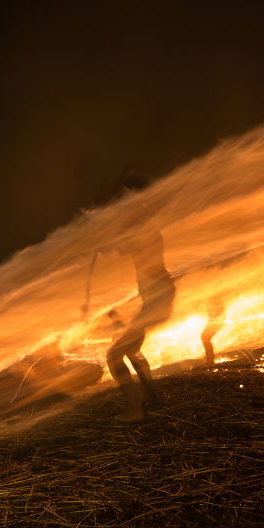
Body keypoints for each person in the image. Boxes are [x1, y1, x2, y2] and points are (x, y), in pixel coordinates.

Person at [84, 173, 175, 423]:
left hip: (158, 299)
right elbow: (121, 246)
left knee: (114, 356)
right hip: (157, 299)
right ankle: (154, 399)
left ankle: (135, 411)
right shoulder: (147, 233)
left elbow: (123, 245)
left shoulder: (146, 235)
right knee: (132, 350)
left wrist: (103, 241)